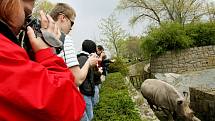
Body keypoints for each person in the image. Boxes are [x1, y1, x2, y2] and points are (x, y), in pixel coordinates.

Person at [0, 0, 85, 120]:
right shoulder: (5, 51)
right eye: (26, 13)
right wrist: (48, 52)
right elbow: (70, 105)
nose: (25, 25)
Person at [50, 3, 98, 86]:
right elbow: (77, 79)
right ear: (62, 18)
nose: (71, 28)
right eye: (72, 23)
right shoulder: (65, 39)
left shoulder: (38, 36)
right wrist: (89, 63)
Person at [77, 40, 97, 121]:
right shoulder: (82, 58)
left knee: (91, 114)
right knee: (90, 116)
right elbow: (80, 76)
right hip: (85, 92)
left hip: (88, 91)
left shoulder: (87, 58)